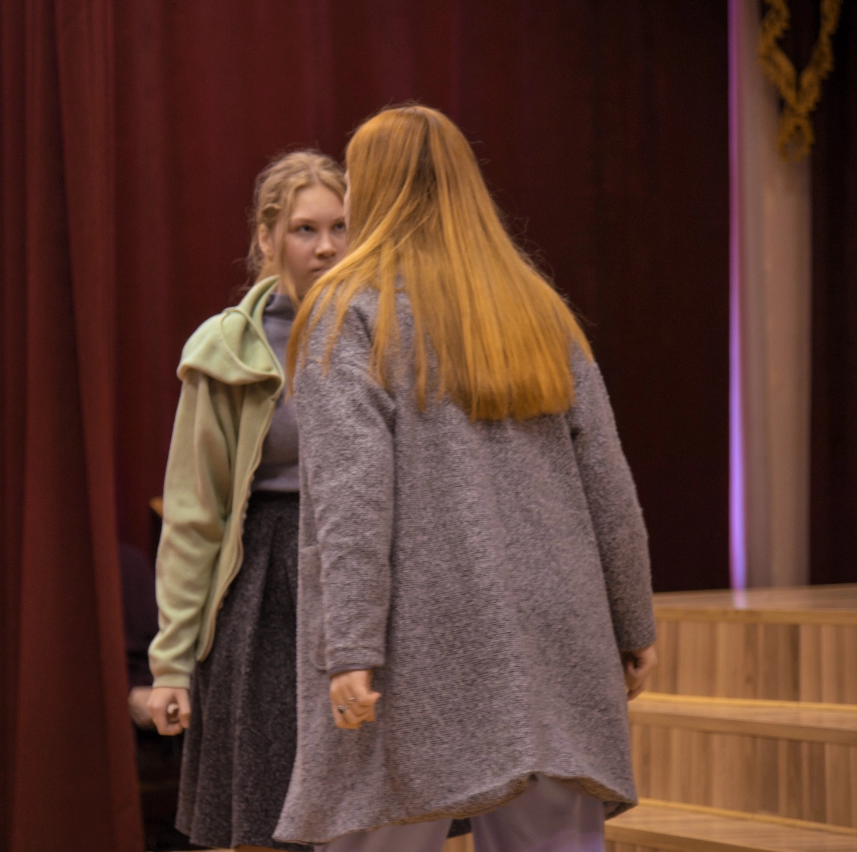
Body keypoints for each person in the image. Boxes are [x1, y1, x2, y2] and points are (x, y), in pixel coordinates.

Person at [274, 105, 658, 852]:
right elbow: (609, 482)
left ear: (370, 189)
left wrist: (351, 647)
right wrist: (632, 618)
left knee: (378, 835)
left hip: (420, 637)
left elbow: (353, 502)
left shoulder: (349, 312)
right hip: (559, 625)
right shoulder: (540, 309)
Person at [146, 150, 349, 852]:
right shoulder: (227, 348)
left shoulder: (385, 332)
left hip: (353, 577)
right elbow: (193, 515)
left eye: (339, 227)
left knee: (367, 819)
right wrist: (171, 665)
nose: (325, 246)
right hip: (264, 589)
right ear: (266, 237)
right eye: (304, 229)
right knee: (264, 819)